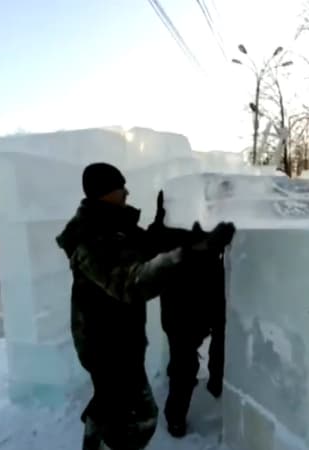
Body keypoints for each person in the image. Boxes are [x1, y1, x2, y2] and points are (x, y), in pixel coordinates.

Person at [55, 162, 235, 450]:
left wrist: (170, 223)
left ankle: (95, 434)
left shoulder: (115, 225)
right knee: (138, 417)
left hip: (122, 337)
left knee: (111, 401)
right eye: (120, 187)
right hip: (105, 343)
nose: (126, 191)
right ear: (104, 192)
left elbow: (148, 244)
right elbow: (133, 283)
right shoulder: (91, 238)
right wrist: (190, 252)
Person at [146, 193, 226, 438]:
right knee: (183, 366)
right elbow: (154, 246)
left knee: (220, 350)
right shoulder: (163, 229)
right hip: (181, 308)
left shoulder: (207, 220)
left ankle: (216, 386)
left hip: (211, 300)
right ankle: (176, 417)